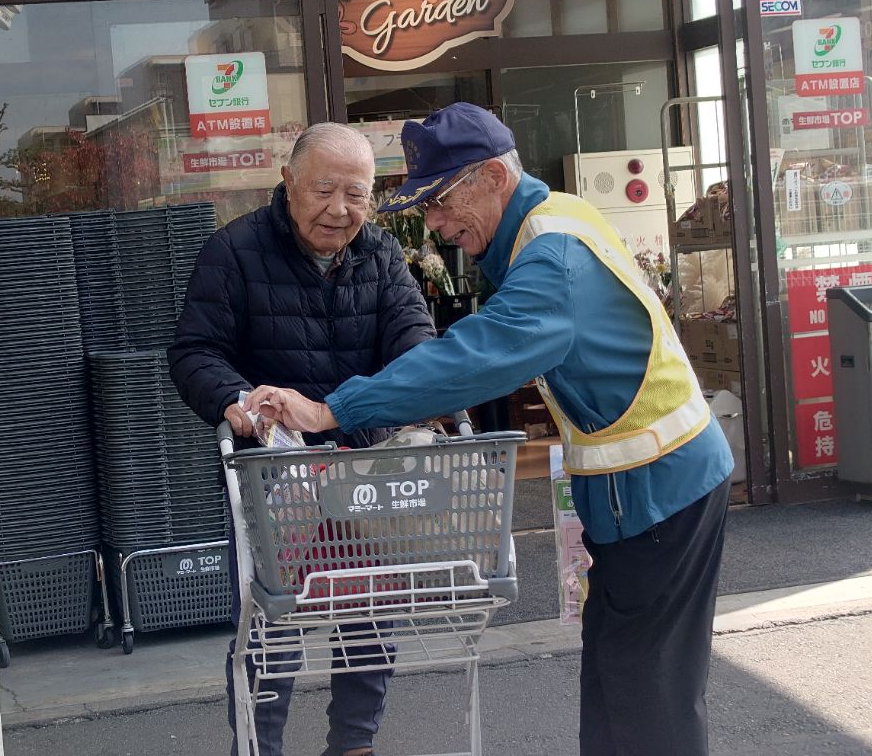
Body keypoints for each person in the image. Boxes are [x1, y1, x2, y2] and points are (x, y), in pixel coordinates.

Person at [244, 102, 735, 756]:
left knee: (650, 700)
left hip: (663, 491)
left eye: (444, 202)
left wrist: (332, 410)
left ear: (494, 178)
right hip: (641, 496)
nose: (440, 226)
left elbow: (474, 356)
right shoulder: (549, 222)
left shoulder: (551, 256)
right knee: (620, 685)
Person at [168, 122, 436, 756]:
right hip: (272, 473)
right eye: (323, 189)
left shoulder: (381, 254)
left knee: (371, 612)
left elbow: (415, 341)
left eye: (357, 194)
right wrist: (235, 400)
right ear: (287, 183)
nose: (339, 210)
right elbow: (193, 351)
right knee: (270, 622)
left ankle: (354, 745)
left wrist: (420, 400)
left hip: (360, 467)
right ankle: (259, 749)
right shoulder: (233, 251)